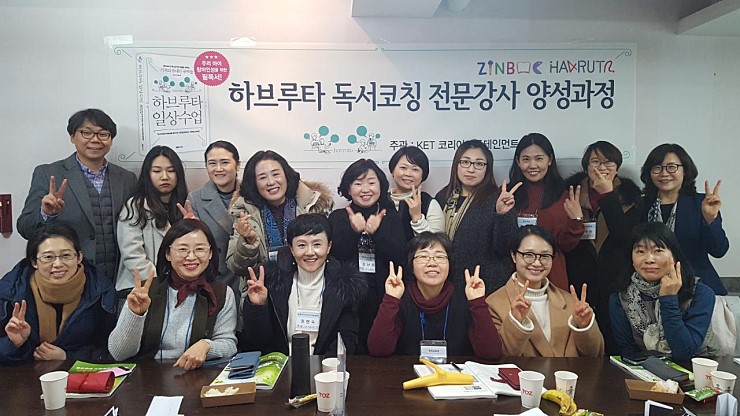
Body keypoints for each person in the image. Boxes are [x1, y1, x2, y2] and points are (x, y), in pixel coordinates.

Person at [17, 109, 137, 282]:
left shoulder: (127, 178)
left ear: (111, 140)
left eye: (103, 134)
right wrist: (46, 214)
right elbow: (24, 228)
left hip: (116, 279)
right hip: (68, 278)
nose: (95, 140)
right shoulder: (48, 173)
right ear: (72, 137)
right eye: (86, 133)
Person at [108, 219, 237, 369]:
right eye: (182, 249)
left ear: (210, 253)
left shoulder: (221, 293)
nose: (191, 257)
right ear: (168, 254)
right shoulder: (144, 292)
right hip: (148, 375)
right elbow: (118, 353)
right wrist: (135, 315)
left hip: (196, 375)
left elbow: (229, 345)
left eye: (200, 249)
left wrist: (206, 346)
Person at [240, 213, 366, 355]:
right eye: (301, 245)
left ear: (329, 247)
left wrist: (322, 366)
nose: (310, 252)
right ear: (292, 249)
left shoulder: (345, 286)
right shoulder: (273, 283)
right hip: (282, 364)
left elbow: (346, 340)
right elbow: (258, 341)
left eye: (317, 244)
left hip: (326, 365)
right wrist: (258, 306)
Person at [367, 232, 502, 359]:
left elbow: (491, 353)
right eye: (423, 257)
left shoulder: (465, 299)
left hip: (454, 374)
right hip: (407, 373)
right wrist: (391, 299)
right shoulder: (400, 299)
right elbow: (378, 350)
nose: (432, 263)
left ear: (450, 265)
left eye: (440, 257)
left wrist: (477, 302)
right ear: (411, 266)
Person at [564, 141, 642, 355]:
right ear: (586, 166)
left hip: (615, 282)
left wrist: (608, 196)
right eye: (595, 162)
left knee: (614, 343)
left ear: (617, 167)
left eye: (608, 162)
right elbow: (563, 242)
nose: (601, 167)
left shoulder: (632, 198)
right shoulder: (570, 193)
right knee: (581, 344)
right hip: (577, 279)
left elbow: (627, 240)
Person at [0, 225, 117, 365]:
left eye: (66, 255)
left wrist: (68, 356)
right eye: (48, 257)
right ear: (34, 262)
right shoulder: (11, 292)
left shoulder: (100, 291)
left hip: (79, 373)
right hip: (27, 375)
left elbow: (109, 350)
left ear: (79, 257)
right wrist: (14, 344)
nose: (57, 264)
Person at [487, 225, 604, 357]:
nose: (537, 263)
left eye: (545, 256)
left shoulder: (571, 302)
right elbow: (499, 357)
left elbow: (596, 355)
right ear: (514, 256)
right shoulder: (493, 304)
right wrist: (515, 321)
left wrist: (585, 327)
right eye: (528, 255)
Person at [328, 159, 406, 354]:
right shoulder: (338, 217)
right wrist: (354, 231)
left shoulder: (391, 216)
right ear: (348, 188)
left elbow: (400, 257)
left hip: (383, 292)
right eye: (358, 183)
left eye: (371, 182)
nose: (365, 189)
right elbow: (333, 257)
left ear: (381, 185)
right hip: (347, 297)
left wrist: (377, 233)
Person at [609, 222, 719, 360]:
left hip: (697, 366)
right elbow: (628, 352)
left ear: (674, 256)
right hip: (645, 368)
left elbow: (684, 351)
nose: (649, 259)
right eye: (641, 251)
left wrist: (668, 299)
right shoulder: (621, 298)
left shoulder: (701, 294)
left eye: (658, 251)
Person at [227, 150, 333, 277]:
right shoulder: (245, 214)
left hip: (307, 282)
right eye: (262, 177)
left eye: (276, 174)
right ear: (254, 183)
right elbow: (236, 267)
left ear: (286, 175)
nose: (271, 182)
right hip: (263, 285)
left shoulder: (311, 205)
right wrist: (248, 242)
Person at [640, 143, 728, 295]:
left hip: (697, 288)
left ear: (685, 170)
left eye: (671, 167)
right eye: (657, 168)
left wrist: (710, 220)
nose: (664, 173)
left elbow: (719, 250)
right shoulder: (641, 205)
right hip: (651, 289)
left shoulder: (702, 203)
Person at [436, 139, 519, 293]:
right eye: (465, 162)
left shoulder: (498, 199)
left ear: (487, 168)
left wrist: (502, 214)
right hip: (448, 284)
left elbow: (505, 247)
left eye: (479, 164)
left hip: (485, 285)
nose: (471, 169)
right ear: (456, 165)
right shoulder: (443, 197)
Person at [508, 133, 584, 290]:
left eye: (539, 159)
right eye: (526, 159)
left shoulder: (564, 195)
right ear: (518, 162)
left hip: (552, 274)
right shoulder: (507, 194)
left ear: (549, 160)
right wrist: (500, 213)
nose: (532, 165)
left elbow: (565, 245)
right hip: (512, 273)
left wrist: (576, 221)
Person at [116, 146, 187, 294]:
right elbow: (132, 255)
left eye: (171, 170)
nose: (164, 176)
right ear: (147, 174)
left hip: (178, 289)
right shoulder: (135, 206)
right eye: (157, 171)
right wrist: (160, 285)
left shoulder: (186, 205)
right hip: (139, 288)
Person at [187, 141, 241, 295]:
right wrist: (190, 233)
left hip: (246, 278)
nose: (218, 169)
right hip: (213, 280)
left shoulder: (251, 194)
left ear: (237, 165)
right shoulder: (195, 199)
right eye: (212, 163)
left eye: (224, 162)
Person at [387, 146, 445, 241]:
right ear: (392, 171)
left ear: (423, 176)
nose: (408, 174)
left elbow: (437, 244)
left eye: (415, 169)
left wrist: (417, 217)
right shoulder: (381, 200)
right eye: (403, 168)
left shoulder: (429, 203)